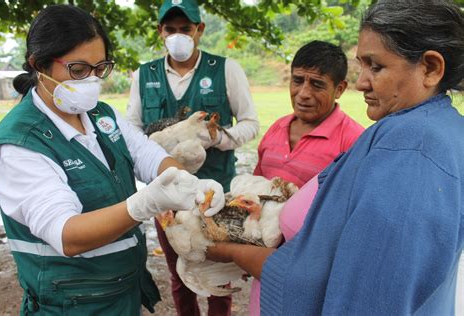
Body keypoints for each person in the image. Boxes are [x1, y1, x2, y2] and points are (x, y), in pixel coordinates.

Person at [207, 0, 464, 314]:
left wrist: (235, 253)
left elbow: (371, 298)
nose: (361, 82)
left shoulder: (411, 148)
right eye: (362, 65)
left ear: (431, 68)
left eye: (376, 66)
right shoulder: (430, 129)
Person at [0, 5, 225, 315]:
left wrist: (189, 183)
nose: (91, 80)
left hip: (122, 291)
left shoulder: (102, 116)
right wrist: (145, 203)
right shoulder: (20, 145)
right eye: (78, 69)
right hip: (70, 305)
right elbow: (66, 234)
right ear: (39, 65)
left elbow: (147, 154)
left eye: (100, 68)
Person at [125, 0, 259, 315]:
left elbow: (250, 123)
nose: (178, 35)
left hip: (216, 193)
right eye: (170, 29)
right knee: (178, 275)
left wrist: (220, 139)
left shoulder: (226, 69)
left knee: (219, 274)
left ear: (199, 29)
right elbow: (131, 132)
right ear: (160, 31)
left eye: (185, 28)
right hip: (168, 195)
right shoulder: (145, 75)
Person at [249, 40, 364, 315]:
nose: (303, 93)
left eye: (317, 84)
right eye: (297, 81)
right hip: (262, 267)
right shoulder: (276, 129)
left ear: (340, 89)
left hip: (314, 278)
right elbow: (254, 190)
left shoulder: (354, 142)